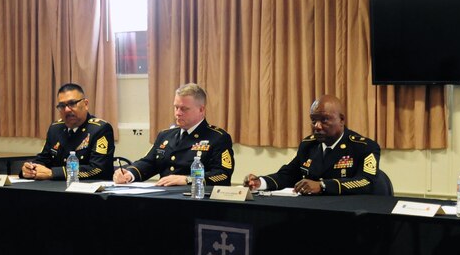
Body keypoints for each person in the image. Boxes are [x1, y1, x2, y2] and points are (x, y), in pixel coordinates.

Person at [242, 95, 380, 195]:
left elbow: (366, 182)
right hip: (312, 213)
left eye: (324, 120)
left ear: (341, 120)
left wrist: (323, 186)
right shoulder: (309, 145)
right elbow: (288, 174)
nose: (317, 126)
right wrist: (261, 182)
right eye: (313, 121)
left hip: (348, 216)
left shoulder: (363, 146)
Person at [112, 83, 234, 186]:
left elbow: (222, 175)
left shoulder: (217, 138)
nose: (178, 113)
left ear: (201, 110)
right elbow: (149, 162)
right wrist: (129, 174)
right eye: (176, 108)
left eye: (184, 109)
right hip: (164, 198)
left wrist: (188, 180)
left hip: (195, 201)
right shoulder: (165, 135)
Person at [20, 82, 115, 181]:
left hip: (87, 191)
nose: (67, 110)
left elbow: (98, 169)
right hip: (55, 189)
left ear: (86, 104)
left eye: (72, 103)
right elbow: (44, 159)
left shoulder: (100, 129)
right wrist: (30, 169)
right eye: (62, 106)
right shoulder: (55, 129)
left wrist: (53, 173)